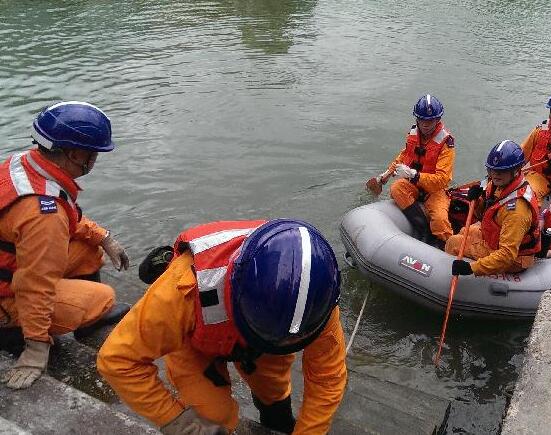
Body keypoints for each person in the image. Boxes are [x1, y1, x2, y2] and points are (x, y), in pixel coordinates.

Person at [97, 219, 347, 435]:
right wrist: (176, 420)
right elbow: (117, 360)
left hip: (257, 344)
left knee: (274, 392)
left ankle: (275, 415)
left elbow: (327, 379)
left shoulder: (317, 303)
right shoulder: (180, 289)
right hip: (196, 340)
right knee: (215, 418)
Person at [0, 102, 130, 390]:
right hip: (8, 300)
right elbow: (35, 284)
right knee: (103, 297)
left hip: (11, 266)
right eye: (94, 154)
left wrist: (103, 236)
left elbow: (69, 218)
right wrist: (36, 348)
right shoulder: (43, 214)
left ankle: (67, 313)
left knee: (88, 249)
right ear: (75, 154)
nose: (95, 159)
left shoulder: (25, 164)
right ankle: (19, 332)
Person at [368, 94, 455, 248]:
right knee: (396, 188)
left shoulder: (446, 143)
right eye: (422, 120)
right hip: (414, 184)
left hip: (435, 190)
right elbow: (404, 156)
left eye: (430, 120)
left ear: (437, 120)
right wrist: (386, 175)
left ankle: (446, 248)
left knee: (440, 221)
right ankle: (422, 229)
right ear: (417, 119)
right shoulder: (413, 134)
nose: (426, 124)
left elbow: (442, 179)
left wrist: (412, 174)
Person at [446, 140, 540, 276]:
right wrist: (478, 201)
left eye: (501, 171)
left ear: (515, 171)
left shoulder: (517, 210)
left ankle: (450, 277)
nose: (495, 174)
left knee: (453, 242)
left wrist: (471, 268)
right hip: (495, 237)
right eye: (492, 170)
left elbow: (507, 256)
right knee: (464, 230)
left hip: (515, 259)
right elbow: (483, 214)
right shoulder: (498, 184)